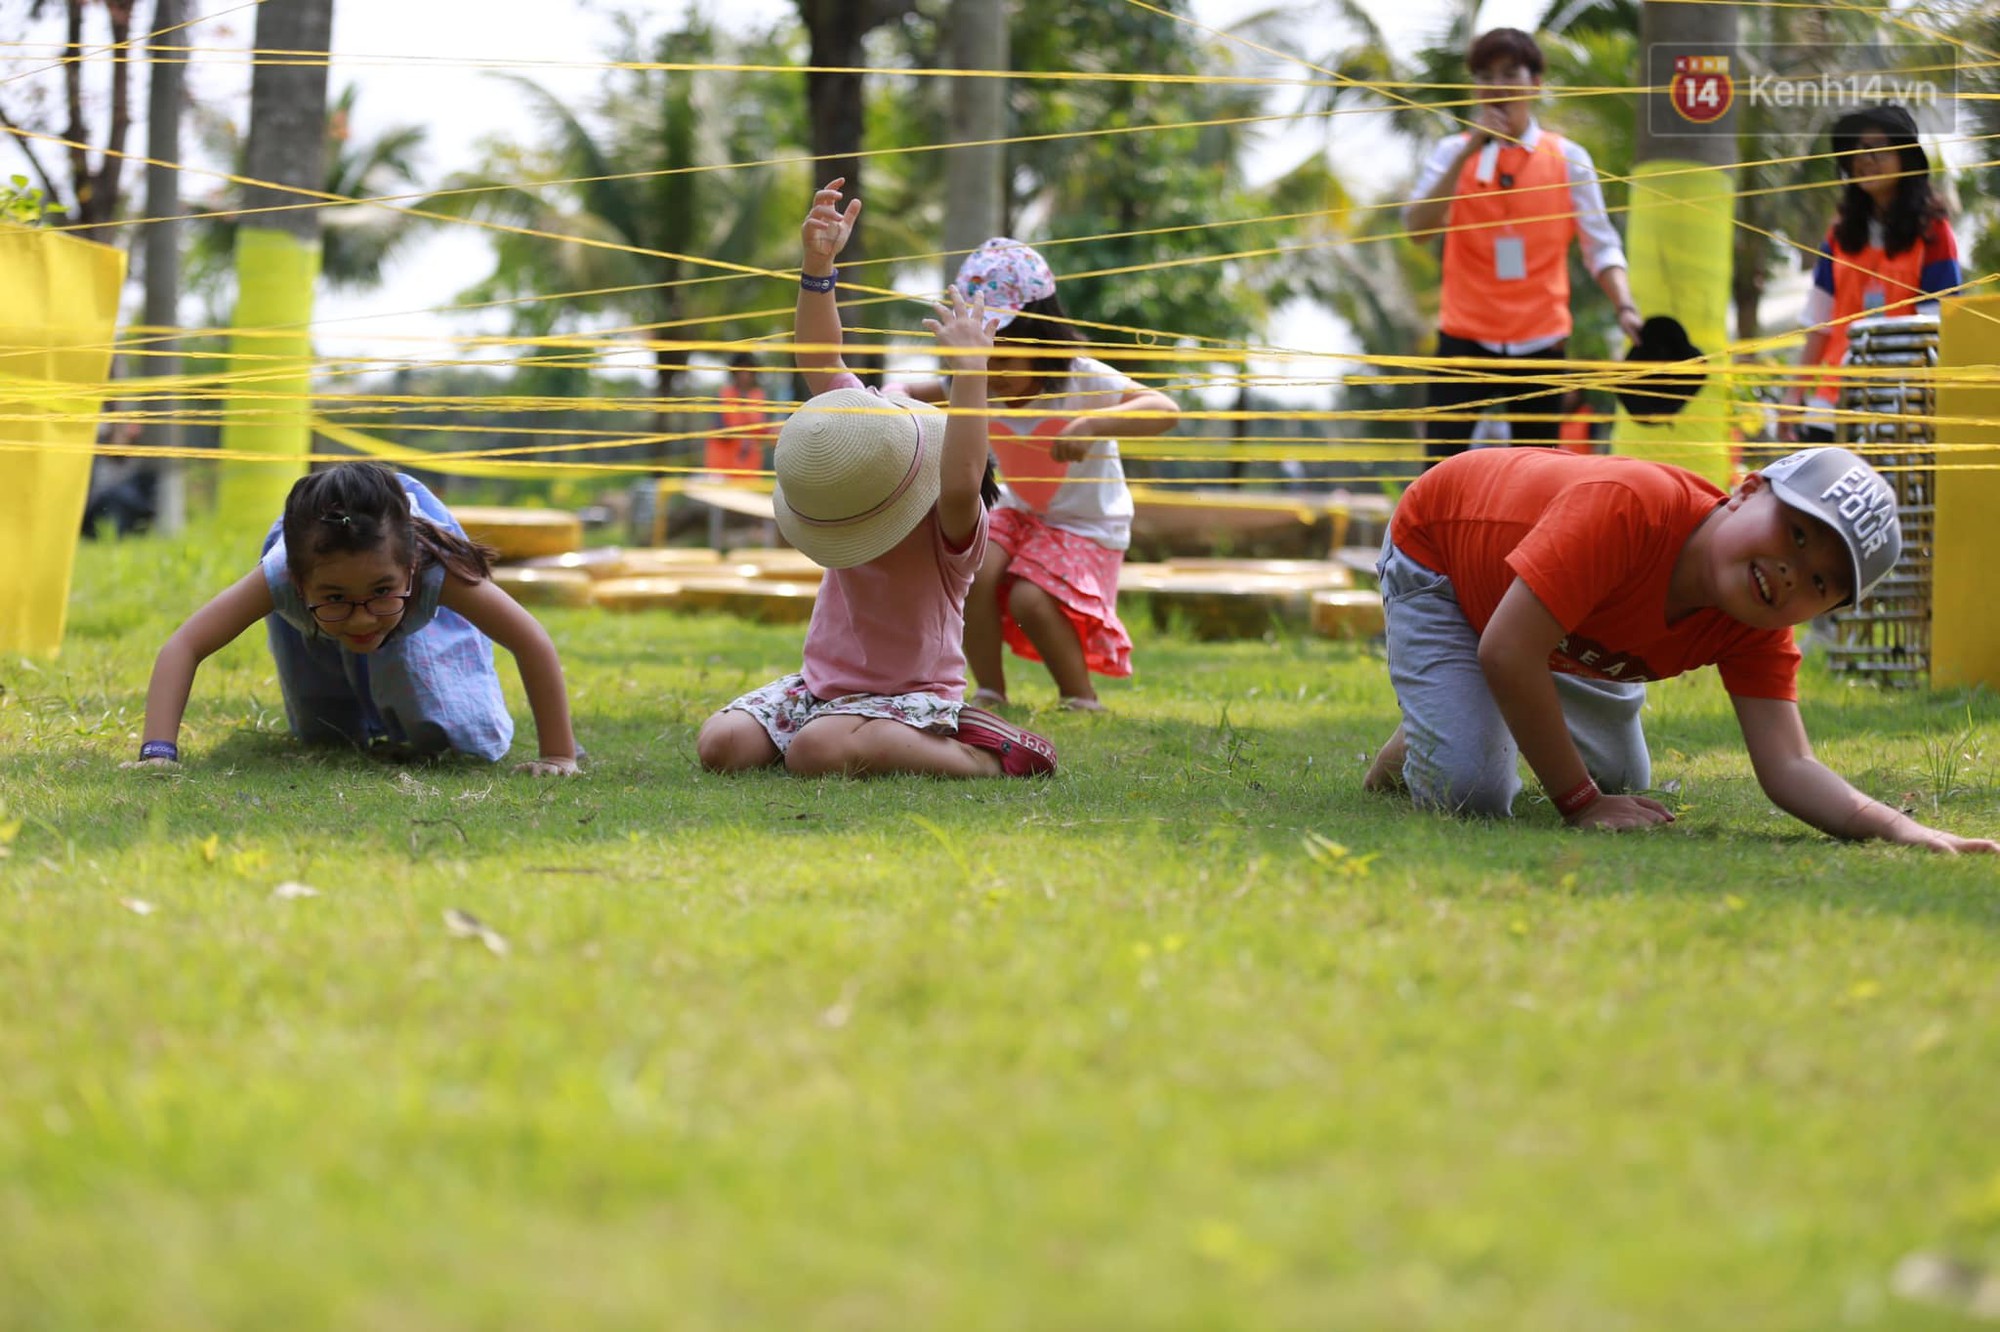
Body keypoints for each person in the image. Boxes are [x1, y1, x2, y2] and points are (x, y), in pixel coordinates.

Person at [1361, 445, 1997, 853]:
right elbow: (1505, 651)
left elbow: (1789, 765)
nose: (1791, 573)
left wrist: (1898, 827)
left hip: (1543, 627)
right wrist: (1579, 803)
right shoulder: (1630, 510)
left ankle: (1450, 709)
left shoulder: (1756, 625)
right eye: (1798, 535)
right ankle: (1453, 709)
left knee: (1623, 780)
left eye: (1820, 583)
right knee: (1472, 792)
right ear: (1747, 491)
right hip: (1443, 556)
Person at [694, 179, 1058, 780]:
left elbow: (963, 478)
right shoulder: (856, 474)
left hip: (912, 701)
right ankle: (841, 734)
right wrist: (817, 269)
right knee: (722, 744)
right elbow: (822, 362)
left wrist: (972, 373)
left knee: (816, 751)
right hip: (820, 691)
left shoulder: (948, 526)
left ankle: (985, 755)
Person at [128, 462, 581, 774]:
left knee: (459, 735)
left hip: (406, 590)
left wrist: (559, 754)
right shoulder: (281, 575)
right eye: (337, 597)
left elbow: (529, 641)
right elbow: (185, 645)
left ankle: (379, 620)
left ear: (409, 570)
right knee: (326, 735)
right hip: (319, 612)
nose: (362, 621)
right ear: (299, 584)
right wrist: (157, 751)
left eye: (380, 592)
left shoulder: (434, 569)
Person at [918, 237, 1179, 712]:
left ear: (1044, 342)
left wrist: (1093, 423)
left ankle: (1080, 697)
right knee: (972, 570)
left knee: (1029, 599)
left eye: (1004, 358)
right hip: (1019, 515)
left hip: (1087, 526)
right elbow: (908, 390)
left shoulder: (1083, 378)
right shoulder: (975, 380)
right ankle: (989, 692)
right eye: (982, 357)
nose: (991, 373)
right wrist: (871, 397)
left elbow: (1164, 409)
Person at [1403, 27, 1645, 461]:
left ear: (1534, 83)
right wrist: (1468, 152)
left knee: (1535, 472)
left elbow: (1600, 245)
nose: (1497, 86)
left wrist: (1625, 306)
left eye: (1509, 73)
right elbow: (1416, 229)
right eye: (1485, 76)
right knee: (1440, 469)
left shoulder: (1569, 158)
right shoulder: (1451, 153)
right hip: (1463, 337)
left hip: (1541, 340)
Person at [1779, 104, 1961, 444]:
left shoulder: (1934, 234)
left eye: (1878, 148)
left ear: (1906, 158)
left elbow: (1942, 326)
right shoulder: (1838, 237)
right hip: (1833, 401)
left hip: (1904, 405)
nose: (1865, 159)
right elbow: (1819, 323)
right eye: (1858, 150)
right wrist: (1793, 395)